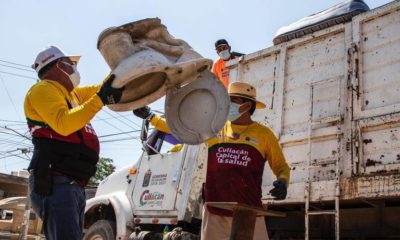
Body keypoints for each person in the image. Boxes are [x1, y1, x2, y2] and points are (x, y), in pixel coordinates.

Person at [133, 82, 290, 240]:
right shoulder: (215, 128)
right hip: (215, 212)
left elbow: (281, 166)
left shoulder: (264, 135)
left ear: (247, 105)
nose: (226, 106)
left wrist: (283, 181)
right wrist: (150, 117)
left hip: (249, 213)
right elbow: (180, 129)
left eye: (232, 101)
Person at [24, 46, 124, 239]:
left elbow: (104, 87)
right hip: (56, 180)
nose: (74, 69)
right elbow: (64, 124)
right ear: (59, 66)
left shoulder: (73, 94)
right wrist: (100, 99)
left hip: (73, 183)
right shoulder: (42, 89)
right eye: (71, 64)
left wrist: (124, 64)